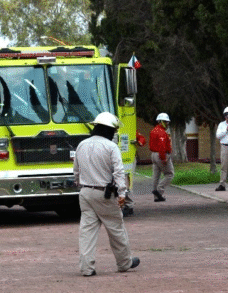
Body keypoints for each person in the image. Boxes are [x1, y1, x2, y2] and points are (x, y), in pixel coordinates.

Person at [74, 112, 140, 277]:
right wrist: (123, 194)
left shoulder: (81, 145)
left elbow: (76, 171)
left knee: (87, 231)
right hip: (105, 194)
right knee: (116, 229)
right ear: (110, 130)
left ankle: (86, 268)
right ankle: (124, 263)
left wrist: (80, 185)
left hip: (85, 193)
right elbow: (119, 172)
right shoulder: (111, 147)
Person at [149, 113, 174, 202]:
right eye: (166, 122)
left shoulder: (153, 130)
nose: (167, 124)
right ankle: (159, 191)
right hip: (161, 154)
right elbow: (162, 146)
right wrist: (164, 158)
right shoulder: (162, 133)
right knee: (170, 174)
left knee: (156, 175)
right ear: (161, 122)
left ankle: (156, 197)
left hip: (153, 154)